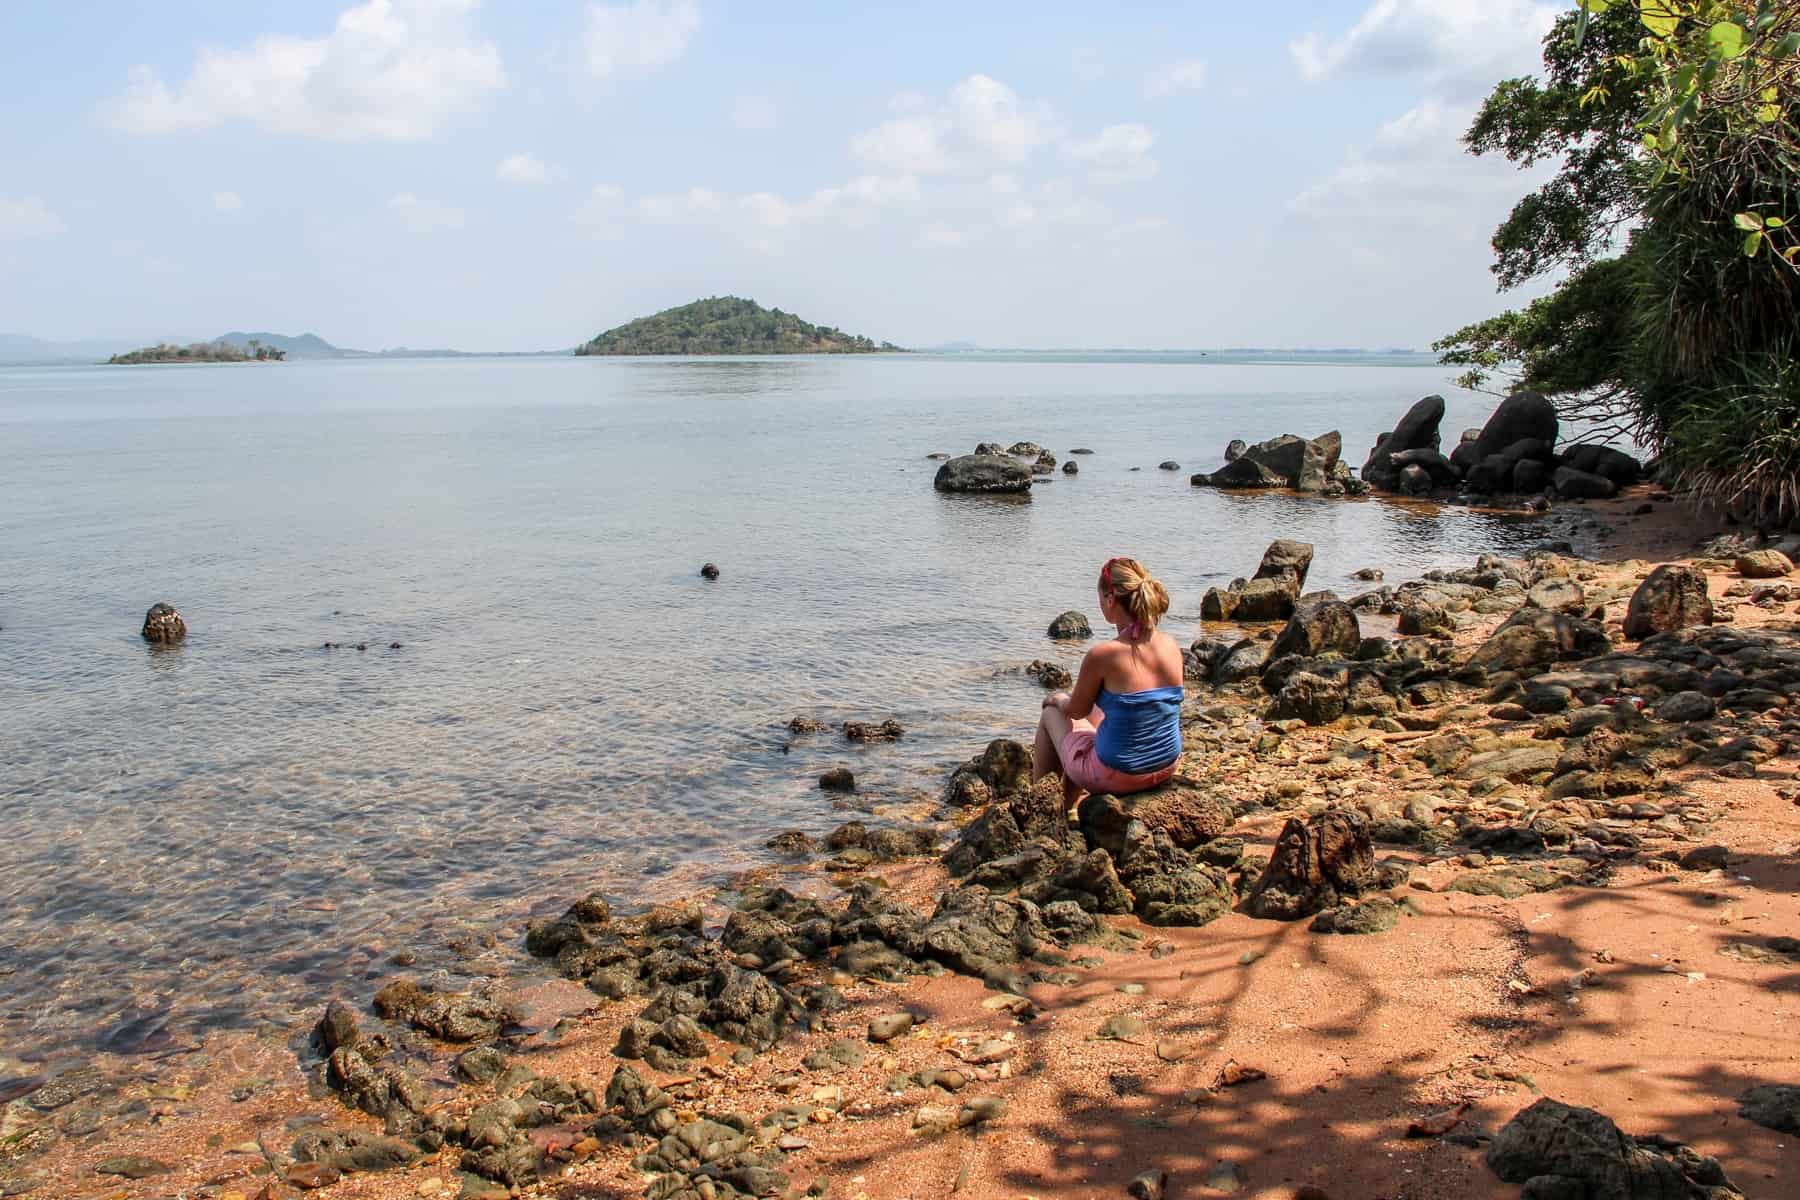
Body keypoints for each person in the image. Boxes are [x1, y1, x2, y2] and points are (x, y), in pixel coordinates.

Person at [1033, 556, 1184, 811]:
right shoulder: (1170, 645)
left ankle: (1038, 810)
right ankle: (1067, 810)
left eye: (1101, 599)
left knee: (1052, 714)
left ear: (1111, 600)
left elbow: (1075, 711)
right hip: (1166, 764)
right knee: (1100, 715)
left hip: (1120, 774)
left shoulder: (1103, 655)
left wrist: (1057, 698)